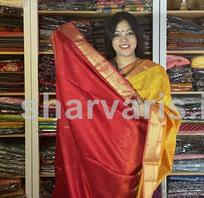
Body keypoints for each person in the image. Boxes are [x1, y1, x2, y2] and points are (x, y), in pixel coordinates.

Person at [51, 12, 181, 198]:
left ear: (137, 37)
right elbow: (81, 103)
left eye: (129, 33)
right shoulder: (99, 72)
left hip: (136, 160)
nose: (124, 39)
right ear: (110, 39)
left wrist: (149, 111)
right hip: (99, 157)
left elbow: (171, 117)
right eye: (117, 34)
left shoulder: (154, 72)